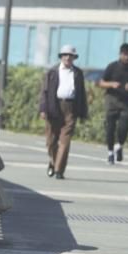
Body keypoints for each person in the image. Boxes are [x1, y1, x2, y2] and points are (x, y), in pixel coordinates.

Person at [38, 45, 88, 179]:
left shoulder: (77, 73)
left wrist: (83, 112)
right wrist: (43, 109)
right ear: (61, 57)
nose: (68, 58)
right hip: (54, 106)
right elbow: (44, 92)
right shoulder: (52, 72)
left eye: (70, 55)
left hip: (71, 107)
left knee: (65, 141)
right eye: (65, 55)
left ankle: (59, 170)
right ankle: (53, 162)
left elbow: (81, 93)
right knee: (50, 141)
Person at [99, 43, 128, 164]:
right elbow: (101, 82)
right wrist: (111, 84)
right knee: (110, 127)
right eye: (125, 54)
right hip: (111, 100)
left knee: (124, 126)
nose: (127, 57)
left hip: (126, 101)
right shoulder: (112, 67)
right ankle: (110, 152)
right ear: (120, 54)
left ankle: (119, 145)